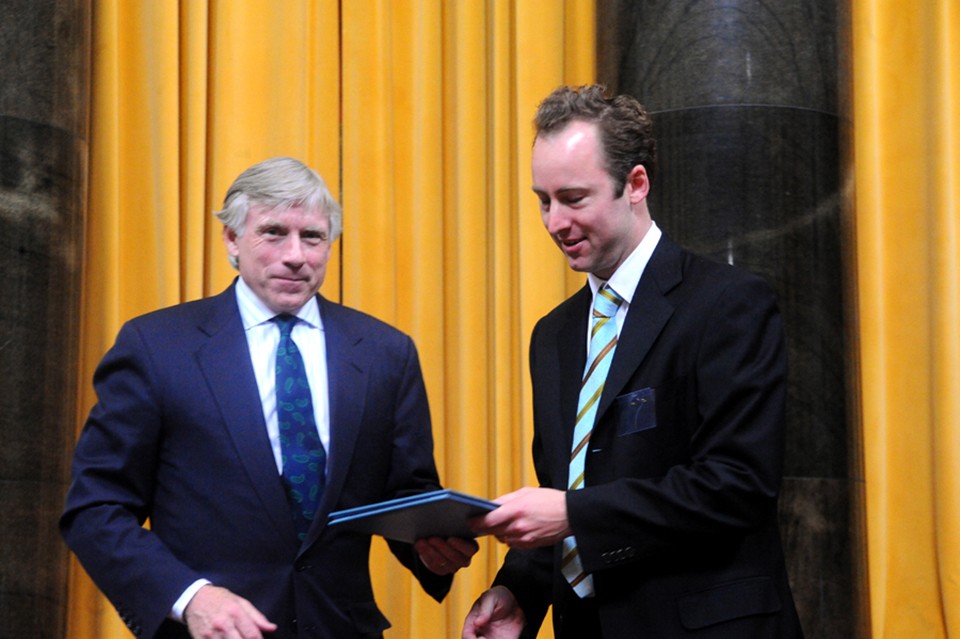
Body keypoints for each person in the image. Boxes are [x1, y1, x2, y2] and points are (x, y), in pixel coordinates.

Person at [61, 156, 478, 639]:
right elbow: (96, 508)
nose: (296, 255)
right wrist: (189, 595)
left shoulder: (387, 353)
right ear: (232, 240)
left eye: (314, 237)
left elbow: (407, 494)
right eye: (274, 232)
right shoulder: (157, 347)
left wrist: (432, 545)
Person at [462, 85, 804, 638]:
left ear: (636, 184)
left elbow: (737, 485)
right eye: (542, 200)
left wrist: (574, 514)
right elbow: (569, 485)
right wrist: (518, 590)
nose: (554, 223)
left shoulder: (728, 303)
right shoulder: (552, 336)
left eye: (573, 199)